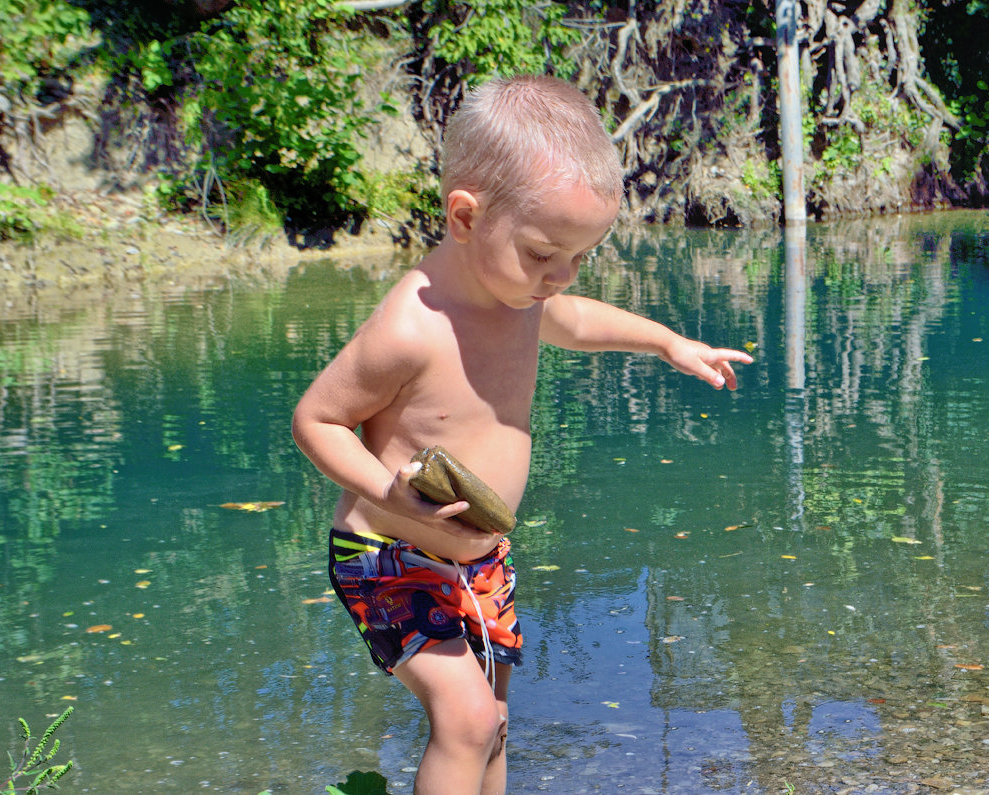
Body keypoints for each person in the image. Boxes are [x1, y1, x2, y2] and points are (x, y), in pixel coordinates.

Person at [291, 73, 752, 795]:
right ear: (467, 217)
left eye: (578, 257)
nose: (559, 276)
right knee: (467, 719)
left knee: (493, 724)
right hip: (390, 553)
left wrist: (667, 342)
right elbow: (316, 419)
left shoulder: (522, 294)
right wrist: (390, 492)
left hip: (482, 561)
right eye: (543, 253)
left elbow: (577, 320)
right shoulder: (414, 325)